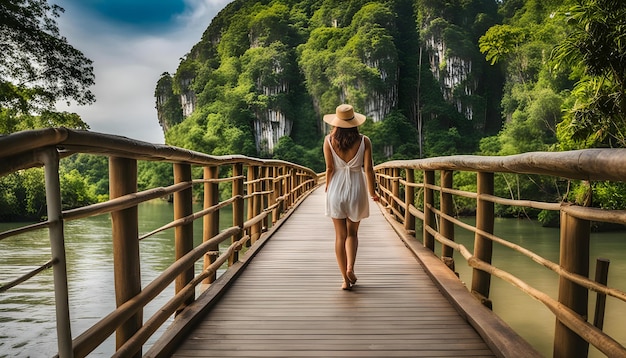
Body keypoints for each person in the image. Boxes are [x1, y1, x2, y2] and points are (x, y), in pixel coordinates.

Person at [323, 104, 379, 290]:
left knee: (340, 235)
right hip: (357, 188)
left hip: (336, 189)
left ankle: (345, 281)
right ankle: (350, 267)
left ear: (336, 122)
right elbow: (368, 170)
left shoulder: (328, 140)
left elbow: (330, 169)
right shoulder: (364, 141)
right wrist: (373, 193)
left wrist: (327, 187)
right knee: (353, 233)